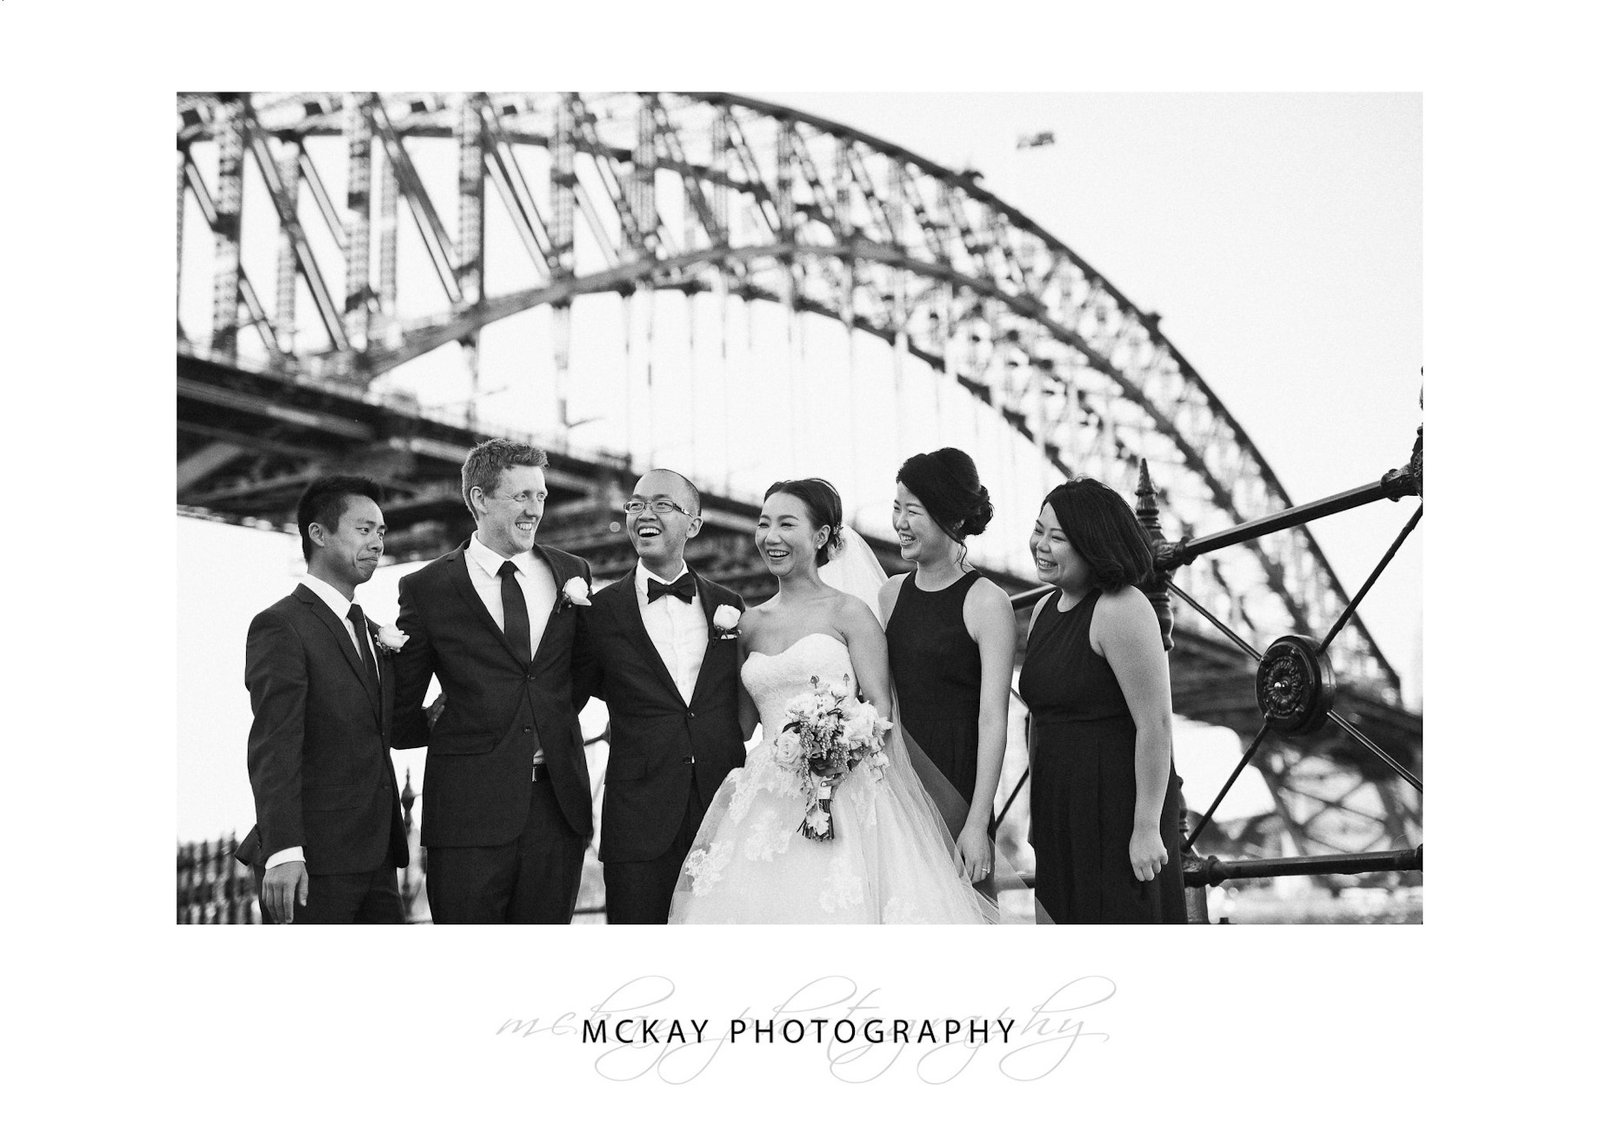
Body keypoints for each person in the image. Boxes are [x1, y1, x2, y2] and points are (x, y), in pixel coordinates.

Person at [669, 478, 995, 924]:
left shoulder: (850, 613)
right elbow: (743, 727)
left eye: (787, 523)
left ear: (821, 536)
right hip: (765, 795)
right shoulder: (748, 624)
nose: (770, 536)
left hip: (843, 789)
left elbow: (881, 708)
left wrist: (838, 749)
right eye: (764, 524)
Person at [391, 439, 594, 924]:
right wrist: (449, 721)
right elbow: (400, 716)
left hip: (556, 812)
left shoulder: (572, 573)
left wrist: (548, 717)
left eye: (541, 497)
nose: (534, 510)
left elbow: (577, 679)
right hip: (467, 818)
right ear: (479, 499)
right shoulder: (427, 589)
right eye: (521, 496)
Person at [576, 469, 747, 924]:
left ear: (693, 524)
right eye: (635, 505)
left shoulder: (730, 605)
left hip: (725, 812)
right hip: (637, 822)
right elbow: (568, 693)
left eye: (662, 504)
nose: (644, 514)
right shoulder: (597, 613)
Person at [236, 475, 408, 924]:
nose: (377, 543)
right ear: (318, 534)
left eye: (382, 532)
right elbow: (275, 744)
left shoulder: (372, 630)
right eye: (364, 529)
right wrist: (284, 851)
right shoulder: (280, 626)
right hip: (314, 863)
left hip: (378, 859)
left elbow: (374, 729)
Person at [1018, 477, 1183, 923]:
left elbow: (1156, 726)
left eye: (1058, 537)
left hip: (1117, 808)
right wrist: (1038, 814)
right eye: (1039, 530)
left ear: (1092, 544)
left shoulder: (1121, 607)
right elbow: (1040, 721)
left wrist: (1146, 827)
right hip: (1059, 806)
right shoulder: (1042, 611)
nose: (1041, 545)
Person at [879, 448, 1016, 882]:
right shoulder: (890, 594)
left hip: (956, 786)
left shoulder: (987, 601)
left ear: (953, 519)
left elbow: (993, 718)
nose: (900, 522)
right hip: (897, 784)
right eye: (896, 508)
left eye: (913, 511)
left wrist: (977, 824)